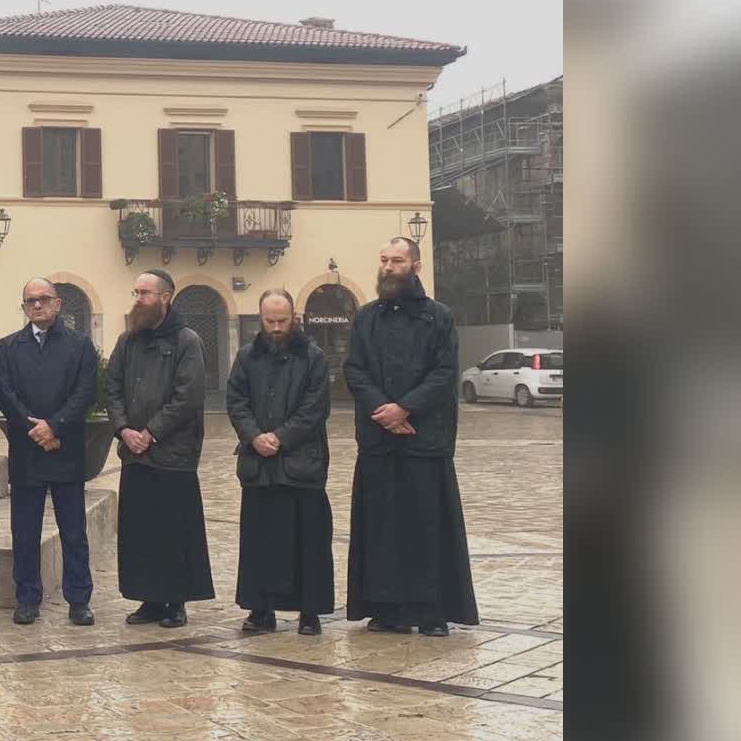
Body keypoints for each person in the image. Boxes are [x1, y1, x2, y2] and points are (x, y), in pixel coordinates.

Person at [344, 238, 480, 636]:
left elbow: (443, 373)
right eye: (384, 260)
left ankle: (431, 611)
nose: (388, 267)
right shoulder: (365, 317)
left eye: (397, 261)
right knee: (382, 529)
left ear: (416, 267)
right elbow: (354, 370)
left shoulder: (439, 317)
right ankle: (385, 608)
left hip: (424, 440)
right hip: (378, 441)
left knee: (427, 529)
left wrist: (404, 409)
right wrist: (382, 411)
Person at [105, 269, 212, 627]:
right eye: (135, 292)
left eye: (145, 293)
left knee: (173, 530)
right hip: (134, 454)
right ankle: (148, 598)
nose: (138, 299)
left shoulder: (187, 340)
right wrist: (123, 429)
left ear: (165, 297)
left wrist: (150, 432)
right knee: (141, 531)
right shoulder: (127, 341)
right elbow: (113, 388)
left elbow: (188, 396)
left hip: (173, 454)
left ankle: (176, 601)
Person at [226, 289, 334, 636]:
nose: (276, 328)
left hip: (302, 464)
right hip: (259, 466)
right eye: (270, 321)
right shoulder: (246, 357)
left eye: (282, 321)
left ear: (294, 318)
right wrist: (254, 436)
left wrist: (282, 437)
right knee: (260, 541)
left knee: (309, 540)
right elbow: (236, 400)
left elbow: (316, 407)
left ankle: (309, 610)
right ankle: (261, 610)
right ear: (261, 319)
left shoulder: (314, 357)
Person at [0, 278, 99, 626]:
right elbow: (6, 394)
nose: (36, 306)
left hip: (65, 449)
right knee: (25, 530)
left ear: (58, 304)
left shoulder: (80, 345)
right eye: (29, 301)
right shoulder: (8, 347)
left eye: (43, 300)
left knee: (73, 530)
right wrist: (34, 429)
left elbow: (84, 391)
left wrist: (54, 427)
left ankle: (79, 599)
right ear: (23, 308)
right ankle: (27, 598)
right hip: (27, 452)